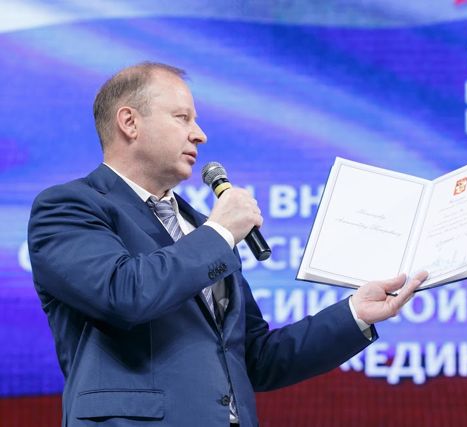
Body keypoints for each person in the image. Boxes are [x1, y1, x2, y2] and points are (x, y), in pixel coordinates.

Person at [28, 62, 427, 427]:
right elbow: (124, 294)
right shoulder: (68, 207)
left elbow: (256, 358)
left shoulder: (204, 229)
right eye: (182, 117)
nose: (199, 134)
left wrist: (355, 313)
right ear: (129, 122)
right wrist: (220, 233)